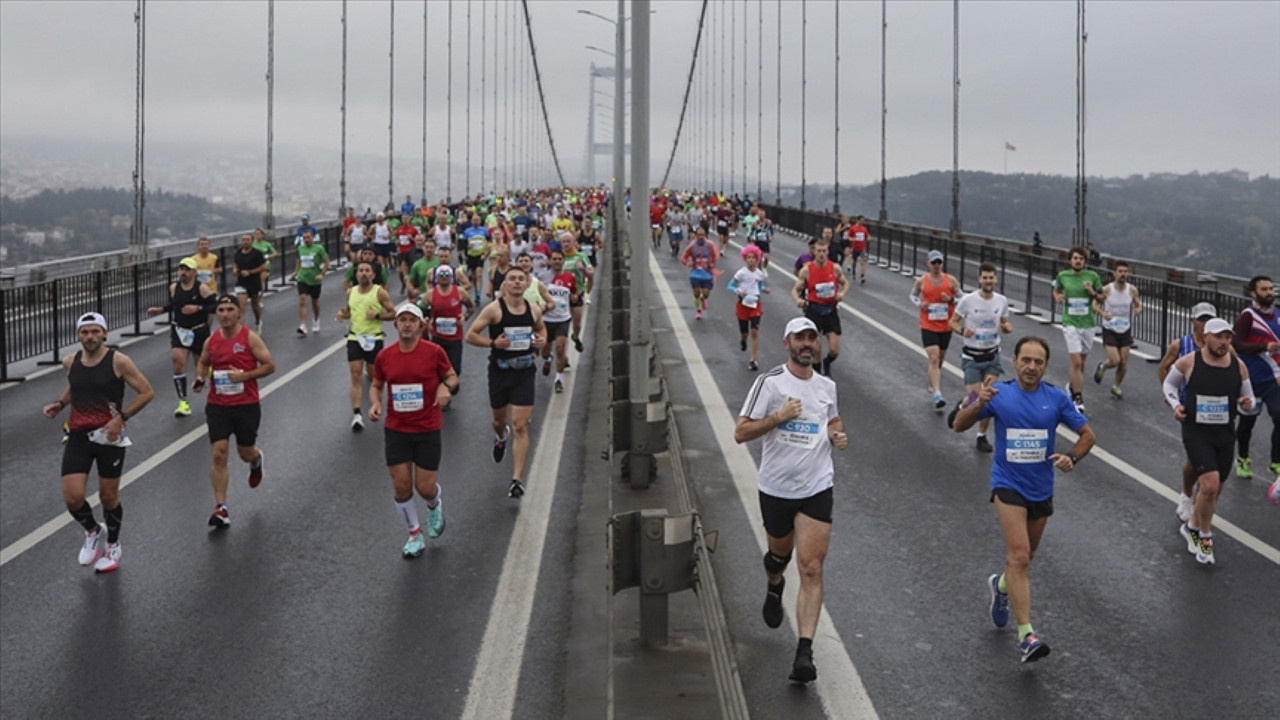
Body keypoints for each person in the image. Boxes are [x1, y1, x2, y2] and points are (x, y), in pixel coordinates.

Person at [952, 336, 1095, 663]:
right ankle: (1027, 635)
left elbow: (1089, 436)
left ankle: (1001, 587)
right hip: (1007, 484)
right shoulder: (998, 393)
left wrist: (1072, 457)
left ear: (1045, 366)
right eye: (1026, 360)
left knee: (1025, 557)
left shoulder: (1056, 398)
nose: (1031, 367)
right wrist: (976, 403)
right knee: (1019, 555)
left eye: (1039, 362)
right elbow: (958, 425)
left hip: (1041, 488)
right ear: (1014, 361)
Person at [733, 317, 847, 684]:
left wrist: (836, 434)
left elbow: (832, 420)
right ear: (787, 343)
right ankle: (774, 583)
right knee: (777, 555)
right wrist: (778, 417)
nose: (808, 344)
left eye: (813, 338)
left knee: (812, 567)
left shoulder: (827, 386)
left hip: (816, 486)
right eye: (801, 338)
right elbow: (741, 432)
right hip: (777, 488)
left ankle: (804, 653)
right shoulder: (770, 383)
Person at [43, 312, 154, 573]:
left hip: (109, 437)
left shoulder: (119, 362)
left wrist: (121, 419)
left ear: (105, 333)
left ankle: (113, 545)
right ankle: (92, 531)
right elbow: (76, 385)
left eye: (95, 331)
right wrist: (60, 404)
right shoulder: (70, 361)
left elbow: (147, 392)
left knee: (108, 496)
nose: (90, 337)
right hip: (79, 436)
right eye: (84, 332)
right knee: (73, 498)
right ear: (78, 335)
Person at [1162, 318, 1254, 565]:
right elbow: (1169, 384)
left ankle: (1192, 525)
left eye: (1228, 338)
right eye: (1219, 337)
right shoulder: (1190, 361)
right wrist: (1176, 404)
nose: (1224, 343)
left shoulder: (1239, 366)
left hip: (1224, 432)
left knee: (1215, 488)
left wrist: (1246, 404)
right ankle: (1205, 535)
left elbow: (1249, 400)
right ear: (1205, 338)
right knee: (1210, 485)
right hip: (1196, 431)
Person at [369, 303, 458, 557]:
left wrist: (445, 387)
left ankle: (434, 502)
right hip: (396, 429)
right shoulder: (385, 356)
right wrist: (375, 401)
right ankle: (414, 535)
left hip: (427, 428)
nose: (407, 324)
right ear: (395, 324)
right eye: (402, 320)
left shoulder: (434, 352)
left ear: (421, 325)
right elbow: (376, 384)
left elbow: (452, 376)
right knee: (401, 485)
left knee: (424, 487)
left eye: (412, 320)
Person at [465, 265, 548, 499]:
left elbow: (541, 329)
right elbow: (470, 335)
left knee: (521, 425)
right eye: (512, 279)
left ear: (527, 282)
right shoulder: (494, 310)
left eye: (521, 279)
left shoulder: (533, 310)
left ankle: (516, 480)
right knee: (499, 420)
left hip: (524, 371)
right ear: (506, 283)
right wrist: (493, 344)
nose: (517, 282)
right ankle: (501, 436)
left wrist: (541, 342)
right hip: (500, 371)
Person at [193, 294, 276, 529]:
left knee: (244, 452)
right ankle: (221, 507)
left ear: (239, 313)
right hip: (218, 405)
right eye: (221, 310)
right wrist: (200, 378)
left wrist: (244, 376)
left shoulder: (249, 338)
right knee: (219, 454)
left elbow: (270, 365)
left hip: (246, 405)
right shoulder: (212, 340)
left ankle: (256, 459)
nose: (225, 314)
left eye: (230, 309)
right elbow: (203, 362)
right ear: (216, 314)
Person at [1158, 302, 1219, 522]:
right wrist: (1171, 397)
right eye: (1201, 319)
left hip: (1218, 409)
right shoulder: (1180, 344)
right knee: (1196, 459)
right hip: (1191, 409)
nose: (1204, 324)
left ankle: (1202, 496)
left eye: (1208, 319)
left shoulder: (1223, 346)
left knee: (1217, 458)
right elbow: (1163, 367)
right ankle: (1187, 494)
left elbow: (1237, 371)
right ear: (1193, 321)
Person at [948, 263, 1015, 452]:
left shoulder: (1001, 300)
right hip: (972, 357)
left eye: (991, 277)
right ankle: (962, 404)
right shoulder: (968, 300)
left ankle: (981, 436)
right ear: (979, 279)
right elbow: (952, 322)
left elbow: (1004, 321)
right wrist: (962, 330)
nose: (988, 281)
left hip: (992, 355)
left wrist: (1007, 327)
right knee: (975, 397)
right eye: (984, 277)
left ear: (996, 279)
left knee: (988, 397)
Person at [147, 257, 217, 417]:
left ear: (194, 272)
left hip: (199, 330)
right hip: (180, 330)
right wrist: (161, 310)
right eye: (181, 269)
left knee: (203, 366)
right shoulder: (174, 287)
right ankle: (183, 403)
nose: (183, 273)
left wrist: (197, 308)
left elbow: (215, 306)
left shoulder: (202, 288)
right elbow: (175, 305)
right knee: (178, 362)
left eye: (187, 270)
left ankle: (214, 395)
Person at [337, 261, 396, 432]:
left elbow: (393, 314)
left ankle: (376, 403)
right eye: (361, 270)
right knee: (355, 374)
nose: (363, 273)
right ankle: (357, 415)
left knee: (374, 377)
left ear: (373, 274)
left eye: (367, 270)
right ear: (356, 274)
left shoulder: (380, 292)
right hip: (355, 337)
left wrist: (377, 315)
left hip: (374, 338)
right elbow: (350, 311)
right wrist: (342, 314)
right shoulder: (351, 292)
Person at [1232, 275, 1280, 481]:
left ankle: (1276, 461)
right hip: (1250, 380)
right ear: (1253, 293)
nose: (1269, 293)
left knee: (1279, 419)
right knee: (1247, 423)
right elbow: (1237, 344)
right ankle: (1243, 458)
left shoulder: (1278, 314)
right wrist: (1263, 346)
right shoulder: (1247, 316)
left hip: (1273, 381)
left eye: (1271, 289)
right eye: (1264, 289)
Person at [1052, 247, 1104, 413]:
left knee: (1081, 363)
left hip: (1087, 324)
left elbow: (1102, 297)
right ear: (1070, 260)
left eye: (1081, 259)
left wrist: (1092, 292)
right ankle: (1078, 399)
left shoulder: (1093, 276)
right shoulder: (1063, 275)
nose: (1077, 261)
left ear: (1085, 262)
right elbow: (1056, 288)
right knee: (1075, 361)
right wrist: (1057, 296)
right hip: (1070, 323)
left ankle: (1072, 387)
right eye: (1075, 258)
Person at [791, 238, 849, 377]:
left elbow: (845, 283)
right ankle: (817, 376)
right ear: (814, 252)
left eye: (824, 251)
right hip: (814, 310)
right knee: (815, 348)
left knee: (834, 350)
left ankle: (828, 362)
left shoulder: (834, 268)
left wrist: (842, 293)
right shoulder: (807, 270)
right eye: (819, 251)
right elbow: (795, 290)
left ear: (827, 252)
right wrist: (798, 300)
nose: (821, 254)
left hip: (830, 311)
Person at [911, 250, 961, 409]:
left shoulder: (951, 281)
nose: (936, 266)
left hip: (946, 325)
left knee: (940, 359)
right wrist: (920, 304)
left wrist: (951, 299)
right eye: (933, 263)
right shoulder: (922, 281)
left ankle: (932, 380)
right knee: (933, 357)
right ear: (928, 263)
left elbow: (963, 298)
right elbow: (912, 295)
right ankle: (938, 394)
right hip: (928, 324)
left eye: (939, 262)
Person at [1091, 261, 1143, 399]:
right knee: (1115, 360)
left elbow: (1138, 305)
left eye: (1125, 272)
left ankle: (1116, 387)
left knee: (1124, 361)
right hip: (1110, 328)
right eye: (1120, 271)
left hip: (1125, 328)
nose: (1123, 274)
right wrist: (1102, 314)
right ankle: (1103, 366)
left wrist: (1137, 311)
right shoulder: (1107, 289)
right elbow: (1094, 304)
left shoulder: (1132, 290)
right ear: (1114, 274)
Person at [425, 265, 474, 383]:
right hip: (437, 336)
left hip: (455, 337)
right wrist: (428, 320)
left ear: (451, 278)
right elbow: (422, 311)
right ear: (436, 279)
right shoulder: (430, 294)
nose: (444, 278)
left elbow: (470, 307)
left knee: (456, 369)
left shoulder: (460, 291)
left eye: (447, 275)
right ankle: (441, 389)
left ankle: (448, 386)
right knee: (437, 368)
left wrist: (465, 317)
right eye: (441, 276)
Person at [540, 249, 578, 393]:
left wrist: (575, 297)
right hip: (546, 319)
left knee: (561, 348)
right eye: (554, 259)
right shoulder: (543, 277)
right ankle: (547, 359)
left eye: (559, 259)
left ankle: (558, 379)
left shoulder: (570, 277)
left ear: (563, 261)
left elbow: (574, 292)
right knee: (545, 350)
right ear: (550, 261)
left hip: (563, 319)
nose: (556, 261)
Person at [730, 244, 770, 371]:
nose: (751, 260)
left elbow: (759, 286)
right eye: (749, 257)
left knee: (754, 331)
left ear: (757, 258)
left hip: (755, 304)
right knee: (745, 332)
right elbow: (730, 286)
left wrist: (764, 290)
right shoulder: (740, 273)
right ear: (745, 259)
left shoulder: (759, 274)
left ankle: (753, 360)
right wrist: (739, 292)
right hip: (743, 304)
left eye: (753, 257)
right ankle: (743, 340)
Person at [290, 229, 330, 336]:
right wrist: (296, 271)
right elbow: (298, 260)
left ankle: (316, 320)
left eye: (308, 237)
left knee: (315, 302)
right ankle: (303, 325)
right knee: (302, 300)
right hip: (303, 278)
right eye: (304, 238)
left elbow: (327, 261)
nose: (306, 240)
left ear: (313, 238)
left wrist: (322, 274)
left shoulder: (319, 248)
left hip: (315, 279)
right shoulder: (300, 248)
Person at [680, 227, 721, 321]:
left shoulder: (710, 245)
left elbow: (716, 256)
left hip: (707, 274)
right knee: (696, 293)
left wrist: (712, 264)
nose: (701, 237)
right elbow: (683, 257)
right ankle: (699, 310)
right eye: (699, 235)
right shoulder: (692, 245)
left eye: (703, 235)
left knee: (706, 294)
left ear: (705, 235)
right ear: (696, 236)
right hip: (695, 273)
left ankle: (703, 299)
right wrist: (687, 263)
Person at [462, 213, 491, 304]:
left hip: (480, 255)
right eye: (474, 220)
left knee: (479, 273)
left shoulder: (484, 231)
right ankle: (476, 290)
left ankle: (478, 295)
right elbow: (463, 244)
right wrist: (467, 246)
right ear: (471, 222)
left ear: (480, 221)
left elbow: (489, 243)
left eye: (477, 220)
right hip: (471, 256)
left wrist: (485, 255)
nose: (476, 222)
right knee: (474, 276)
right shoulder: (467, 231)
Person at [846, 215, 871, 284]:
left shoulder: (864, 228)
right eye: (862, 220)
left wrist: (868, 238)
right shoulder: (853, 228)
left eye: (864, 220)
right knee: (854, 262)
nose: (863, 221)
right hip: (855, 247)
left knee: (863, 262)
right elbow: (848, 236)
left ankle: (862, 276)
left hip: (862, 247)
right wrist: (852, 239)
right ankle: (853, 272)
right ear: (858, 220)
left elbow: (868, 235)